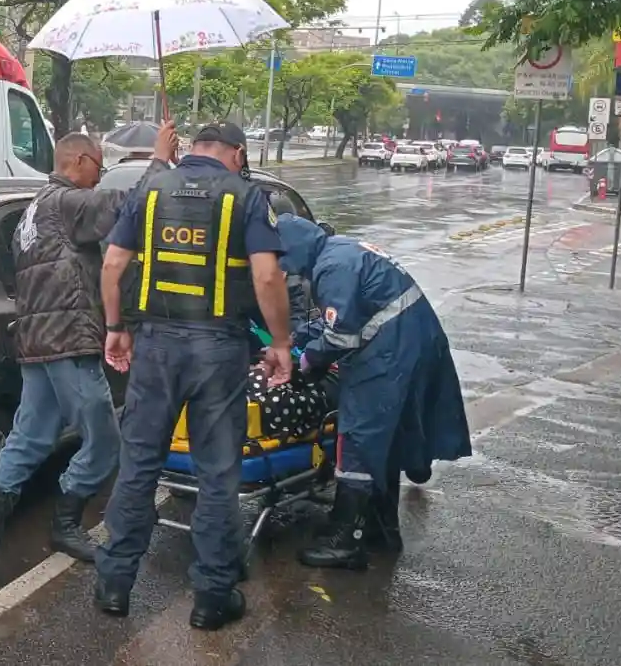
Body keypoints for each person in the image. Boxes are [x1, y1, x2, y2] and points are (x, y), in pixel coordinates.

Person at [0, 123, 178, 581]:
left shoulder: (33, 211)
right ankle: (65, 523)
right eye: (98, 167)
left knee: (30, 436)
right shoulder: (67, 201)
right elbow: (131, 206)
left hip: (36, 340)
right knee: (104, 439)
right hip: (66, 338)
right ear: (77, 162)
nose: (99, 177)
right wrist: (159, 159)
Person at [94, 123, 293, 631]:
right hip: (218, 350)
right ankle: (211, 596)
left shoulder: (150, 190)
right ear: (238, 154)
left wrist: (116, 328)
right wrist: (282, 343)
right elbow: (268, 275)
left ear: (191, 150)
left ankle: (114, 585)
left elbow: (113, 264)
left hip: (155, 346)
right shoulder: (247, 197)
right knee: (217, 475)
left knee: (138, 465)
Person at [270, 214, 472, 570]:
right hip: (410, 342)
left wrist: (306, 363)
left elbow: (341, 336)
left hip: (388, 353)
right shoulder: (340, 250)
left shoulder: (332, 269)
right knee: (386, 441)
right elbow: (343, 318)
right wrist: (295, 339)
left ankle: (346, 540)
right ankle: (381, 529)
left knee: (358, 438)